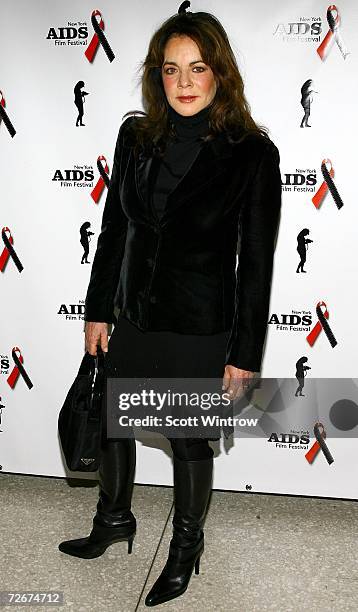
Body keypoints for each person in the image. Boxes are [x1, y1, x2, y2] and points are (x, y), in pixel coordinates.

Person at [58, 8, 282, 607]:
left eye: (197, 68)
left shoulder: (252, 155)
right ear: (158, 77)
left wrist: (243, 353)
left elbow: (256, 265)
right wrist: (98, 309)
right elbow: (113, 233)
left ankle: (186, 548)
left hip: (197, 328)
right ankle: (114, 519)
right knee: (115, 424)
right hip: (131, 315)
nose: (183, 82)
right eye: (170, 69)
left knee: (187, 442)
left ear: (219, 74)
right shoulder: (135, 138)